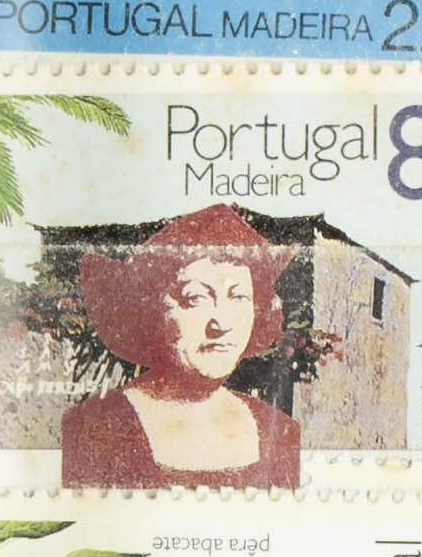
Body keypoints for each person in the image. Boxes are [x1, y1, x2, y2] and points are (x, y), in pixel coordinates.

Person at [57, 203, 301, 488]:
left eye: (238, 297)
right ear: (151, 311)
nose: (221, 323)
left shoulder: (280, 432)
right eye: (196, 298)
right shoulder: (94, 429)